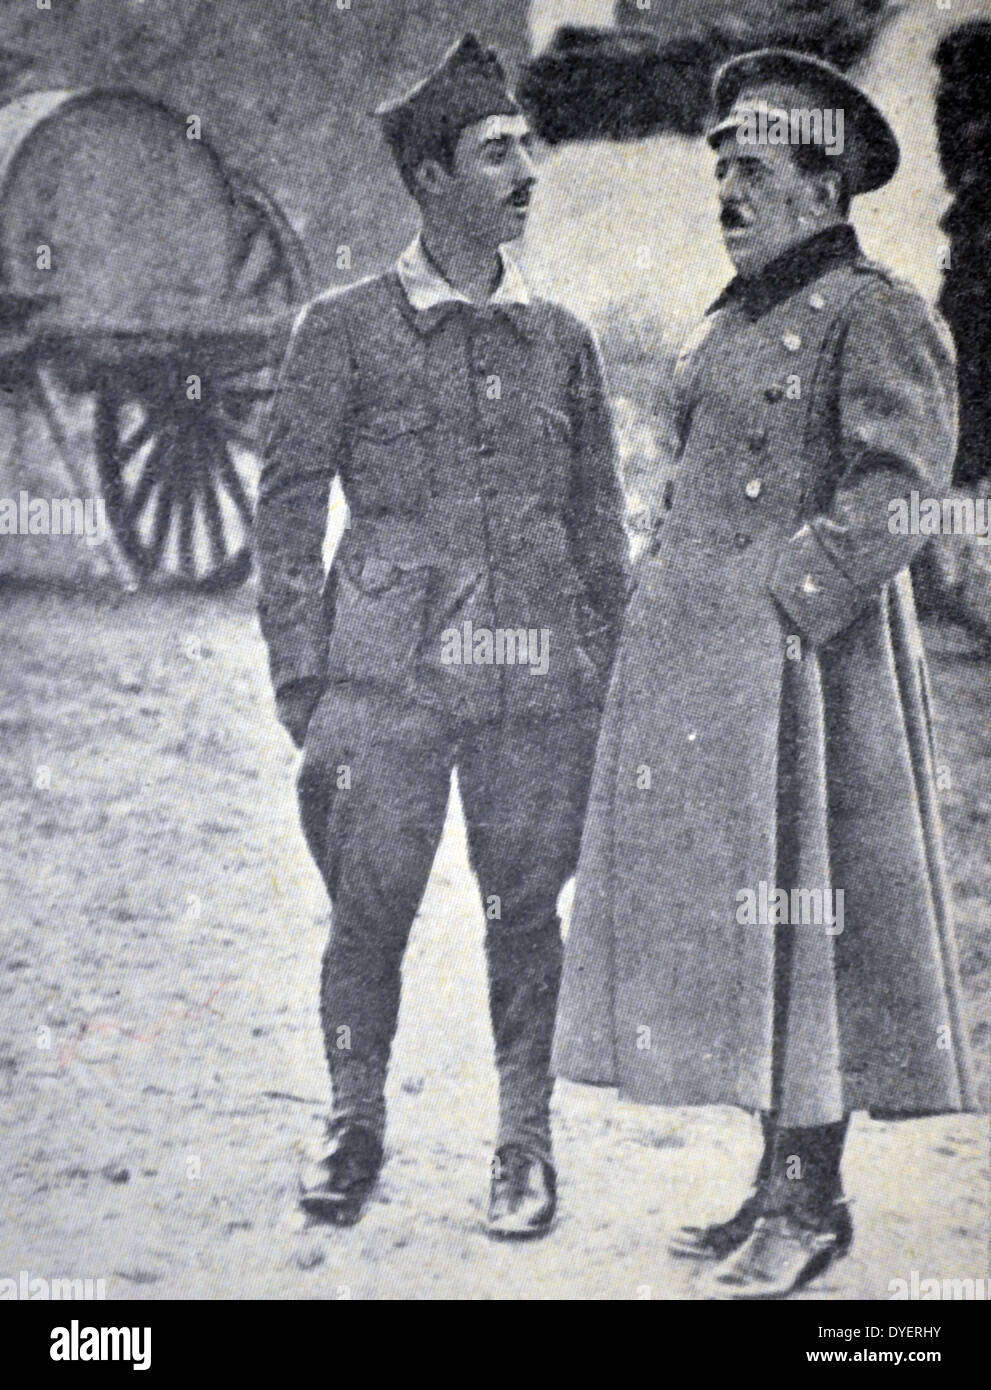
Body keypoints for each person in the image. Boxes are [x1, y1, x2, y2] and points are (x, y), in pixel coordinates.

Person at [552, 48, 975, 1298]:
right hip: (714, 679)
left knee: (812, 928)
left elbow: (903, 491)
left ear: (822, 183)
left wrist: (790, 599)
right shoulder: (729, 316)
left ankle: (815, 1199)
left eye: (752, 169)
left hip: (813, 682)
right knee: (755, 939)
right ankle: (772, 1181)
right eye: (718, 169)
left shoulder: (874, 309)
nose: (726, 192)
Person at [255, 33, 628, 1237]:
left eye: (527, 146)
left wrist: (604, 675)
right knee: (367, 914)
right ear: (427, 179)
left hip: (533, 684)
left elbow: (597, 526)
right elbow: (287, 508)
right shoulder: (342, 328)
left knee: (526, 914)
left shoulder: (559, 339)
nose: (527, 170)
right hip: (385, 682)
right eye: (495, 152)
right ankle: (352, 1122)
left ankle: (523, 1148)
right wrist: (304, 678)